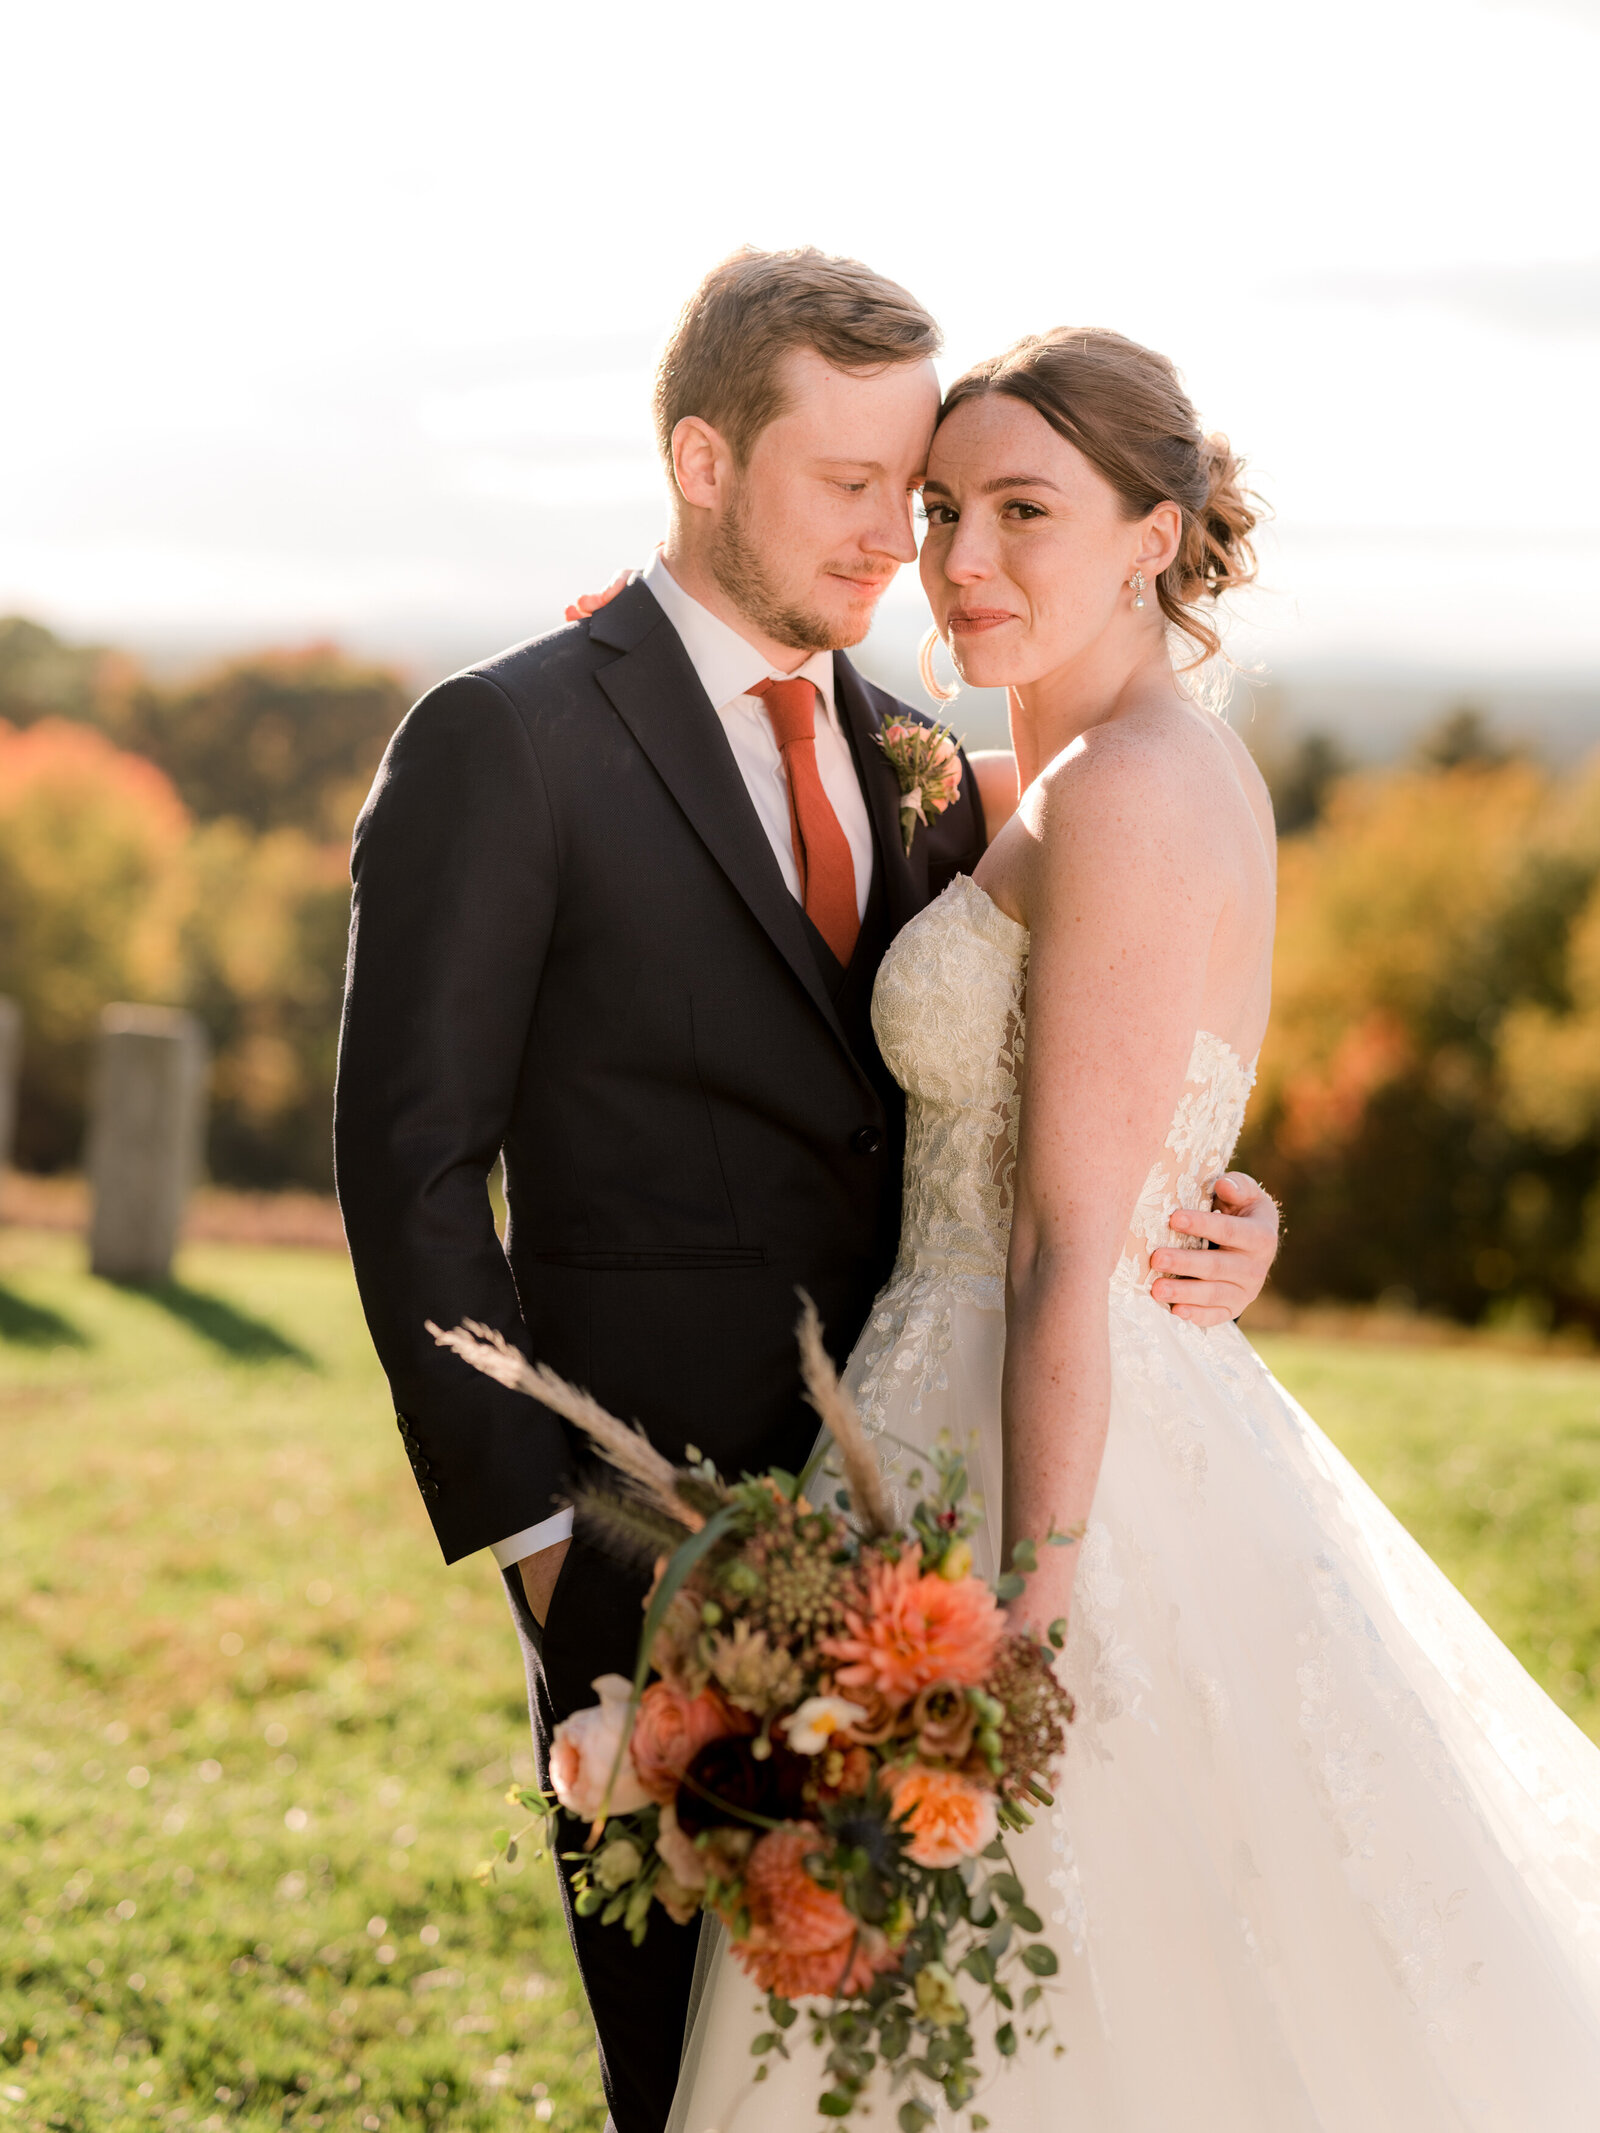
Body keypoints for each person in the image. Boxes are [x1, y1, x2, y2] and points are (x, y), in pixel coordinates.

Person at [333, 252, 1283, 2133]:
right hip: (646, 1543)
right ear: (702, 458)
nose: (902, 543)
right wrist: (546, 1563)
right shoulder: (507, 738)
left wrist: (1227, 1210)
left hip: (928, 1514)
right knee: (693, 2070)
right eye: (863, 488)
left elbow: (1049, 1083)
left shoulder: (934, 757)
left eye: (919, 487)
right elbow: (410, 1172)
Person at [667, 329, 1600, 2133]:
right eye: (942, 511)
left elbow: (1063, 1243)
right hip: (944, 1406)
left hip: (1045, 1449)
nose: (961, 560)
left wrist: (1032, 1604)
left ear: (1152, 535)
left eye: (1026, 510)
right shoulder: (1047, 776)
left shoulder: (1139, 786)